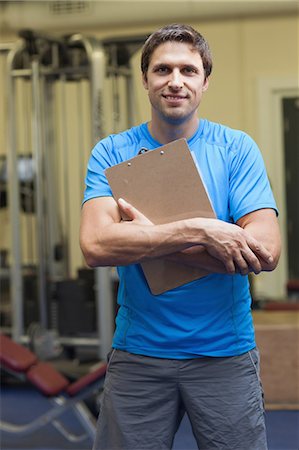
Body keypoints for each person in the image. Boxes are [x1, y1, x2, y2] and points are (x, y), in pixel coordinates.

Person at [80, 23, 281, 450]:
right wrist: (202, 230)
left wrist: (145, 238)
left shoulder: (236, 149)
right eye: (162, 70)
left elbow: (265, 252)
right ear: (145, 79)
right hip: (138, 354)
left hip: (224, 353)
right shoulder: (112, 152)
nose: (175, 81)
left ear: (205, 81)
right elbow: (96, 245)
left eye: (188, 71)